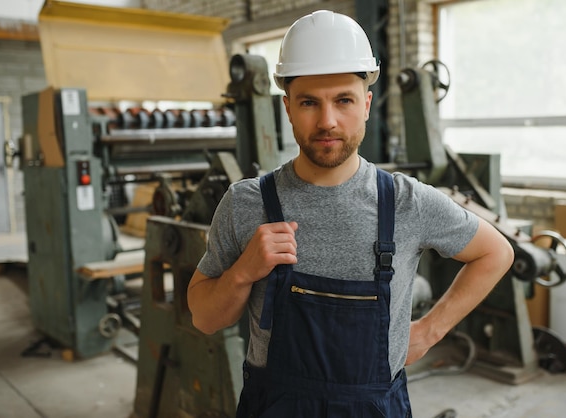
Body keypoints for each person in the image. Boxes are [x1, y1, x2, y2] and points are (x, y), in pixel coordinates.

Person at [187, 9, 514, 418]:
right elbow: (204, 319)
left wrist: (430, 330)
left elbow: (496, 252)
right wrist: (242, 273)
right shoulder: (245, 203)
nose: (327, 121)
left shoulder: (406, 202)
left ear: (367, 105)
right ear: (287, 107)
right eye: (309, 102)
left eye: (343, 100)